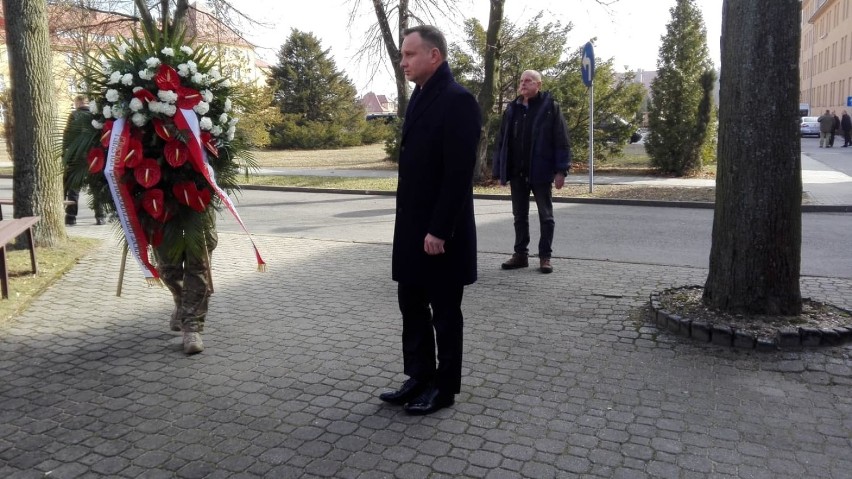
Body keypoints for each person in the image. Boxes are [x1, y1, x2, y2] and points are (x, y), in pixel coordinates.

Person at [378, 25, 481, 415]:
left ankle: (445, 388)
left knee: (445, 312)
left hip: (441, 234)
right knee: (412, 304)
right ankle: (419, 376)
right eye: (403, 55)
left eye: (409, 54)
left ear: (434, 56)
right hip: (412, 228)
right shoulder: (421, 95)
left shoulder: (457, 100)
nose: (402, 61)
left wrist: (439, 229)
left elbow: (458, 174)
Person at [491, 70, 572, 274]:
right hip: (518, 172)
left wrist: (561, 170)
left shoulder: (550, 108)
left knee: (546, 216)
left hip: (541, 172)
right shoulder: (512, 109)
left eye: (528, 81)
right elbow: (502, 142)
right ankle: (520, 255)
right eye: (521, 81)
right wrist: (500, 170)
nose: (523, 84)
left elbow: (561, 140)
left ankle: (545, 257)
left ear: (539, 84)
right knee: (519, 215)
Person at [154, 209, 217, 355]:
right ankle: (181, 301)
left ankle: (192, 328)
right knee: (169, 269)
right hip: (161, 209)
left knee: (198, 268)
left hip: (197, 207)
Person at [62, 95, 107, 226]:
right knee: (96, 188)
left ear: (77, 103)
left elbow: (67, 136)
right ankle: (100, 216)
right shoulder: (96, 115)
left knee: (74, 189)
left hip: (77, 158)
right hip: (94, 157)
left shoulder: (74, 115)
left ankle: (71, 217)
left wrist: (66, 156)